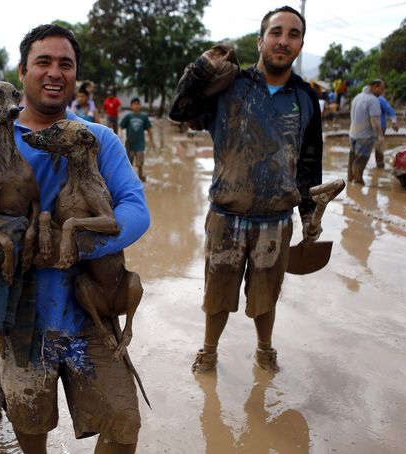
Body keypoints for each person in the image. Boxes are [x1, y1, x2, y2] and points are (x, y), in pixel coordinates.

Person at [0, 24, 149, 454]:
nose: (54, 72)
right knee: (28, 418)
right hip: (18, 312)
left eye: (65, 64)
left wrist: (79, 246)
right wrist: (14, 244)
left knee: (122, 421)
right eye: (43, 62)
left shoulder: (98, 139)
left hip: (87, 306)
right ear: (22, 73)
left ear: (75, 75)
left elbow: (135, 209)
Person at [169, 6, 323, 373]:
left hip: (276, 220)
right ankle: (209, 350)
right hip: (226, 215)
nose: (284, 41)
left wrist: (310, 214)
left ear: (301, 44)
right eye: (276, 32)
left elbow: (309, 163)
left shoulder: (305, 98)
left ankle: (264, 350)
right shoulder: (230, 86)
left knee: (266, 296)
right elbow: (180, 111)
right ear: (260, 40)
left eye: (293, 34)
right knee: (217, 295)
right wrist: (201, 69)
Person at [348, 80, 385, 185]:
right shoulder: (373, 100)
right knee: (361, 159)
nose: (382, 92)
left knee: (352, 159)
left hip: (352, 134)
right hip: (365, 136)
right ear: (375, 87)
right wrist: (380, 135)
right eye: (381, 89)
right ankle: (358, 183)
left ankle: (350, 180)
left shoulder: (357, 97)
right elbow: (375, 121)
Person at [119, 97, 154, 182]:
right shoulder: (128, 117)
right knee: (129, 163)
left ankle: (140, 175)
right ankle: (130, 179)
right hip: (130, 144)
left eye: (137, 104)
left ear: (140, 105)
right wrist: (120, 136)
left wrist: (152, 141)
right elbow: (121, 126)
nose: (136, 106)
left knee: (139, 163)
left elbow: (149, 129)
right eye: (134, 104)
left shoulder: (144, 117)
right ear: (131, 106)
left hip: (140, 144)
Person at [375, 92, 399, 168]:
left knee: (378, 146)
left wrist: (394, 122)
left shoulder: (380, 99)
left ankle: (380, 164)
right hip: (369, 127)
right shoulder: (368, 99)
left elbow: (390, 111)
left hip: (380, 126)